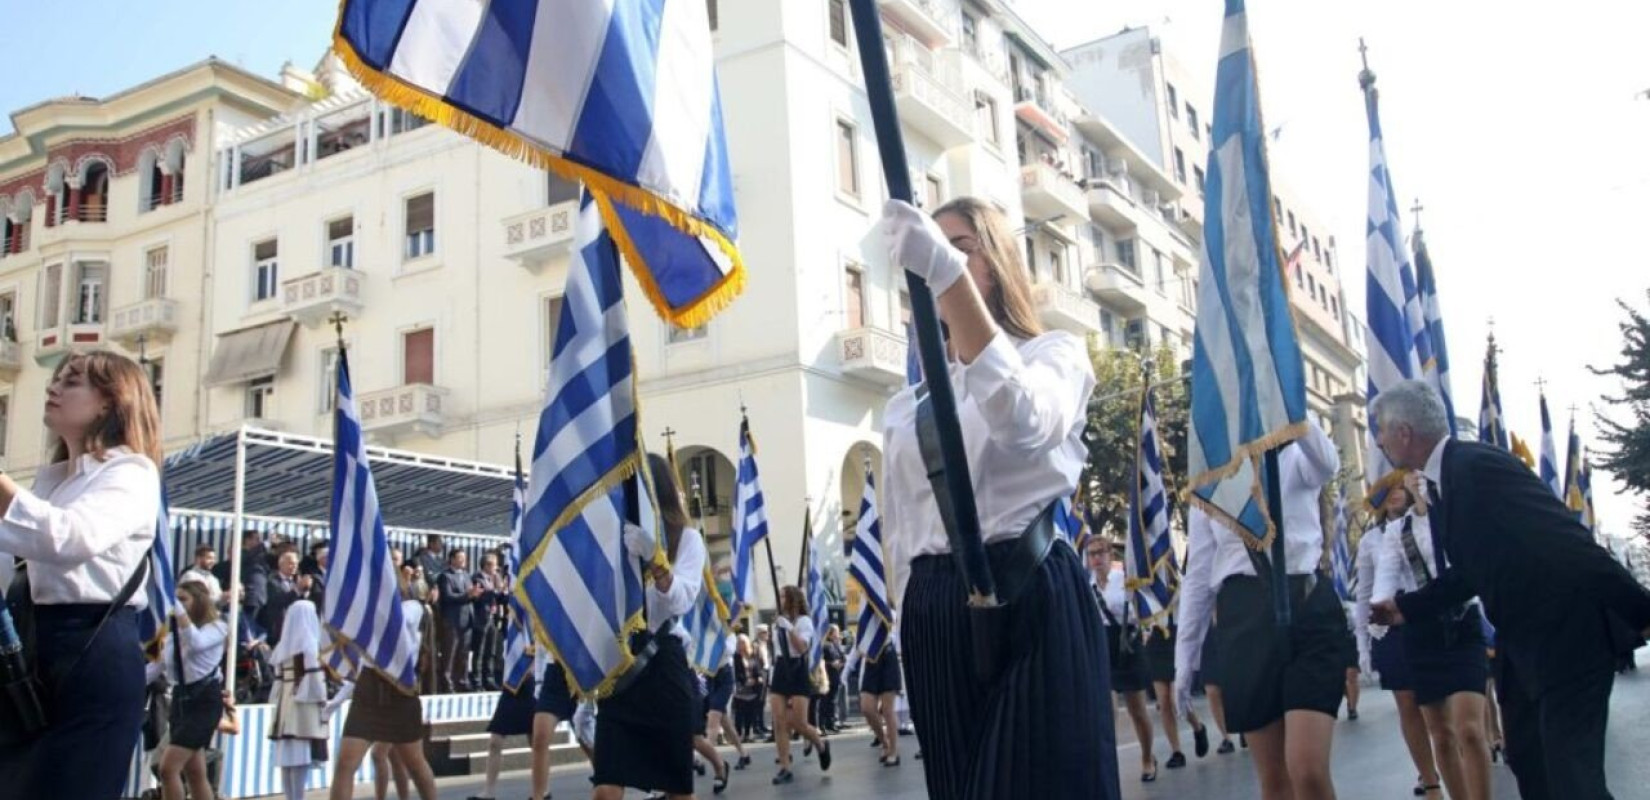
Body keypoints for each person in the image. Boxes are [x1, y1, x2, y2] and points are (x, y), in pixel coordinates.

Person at [881, 197, 1117, 799]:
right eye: (930, 255)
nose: (941, 265)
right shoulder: (908, 405)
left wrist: (948, 275)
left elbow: (1024, 420)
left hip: (1029, 589)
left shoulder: (1054, 355)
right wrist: (912, 647)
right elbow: (901, 536)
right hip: (937, 614)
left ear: (998, 259)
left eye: (960, 248)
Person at [1369, 380, 1650, 800]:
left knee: (1573, 780)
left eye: (1381, 430)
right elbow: (1470, 572)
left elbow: (1565, 538)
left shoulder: (1477, 466)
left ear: (1404, 432)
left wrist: (1641, 611)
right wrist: (1405, 608)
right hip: (1522, 646)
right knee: (1529, 763)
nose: (1378, 440)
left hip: (1568, 639)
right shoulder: (1443, 481)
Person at [0, 351, 163, 799]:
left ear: (111, 403)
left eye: (71, 382)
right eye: (56, 380)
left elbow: (69, 538)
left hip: (92, 653)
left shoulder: (131, 472)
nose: (53, 388)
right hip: (33, 649)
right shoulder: (52, 482)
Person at [1174, 423, 1345, 800]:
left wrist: (1285, 400)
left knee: (1308, 769)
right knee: (1275, 780)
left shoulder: (1298, 455)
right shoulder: (1211, 478)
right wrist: (1184, 661)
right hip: (1244, 616)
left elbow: (1328, 464)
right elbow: (1199, 575)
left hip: (1307, 607)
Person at [592, 453, 706, 800]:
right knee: (606, 788)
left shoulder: (687, 539)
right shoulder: (615, 536)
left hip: (663, 669)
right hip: (620, 666)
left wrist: (657, 561)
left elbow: (682, 599)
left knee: (677, 789)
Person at [1373, 473, 1491, 800]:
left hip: (1462, 622)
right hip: (1421, 631)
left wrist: (1431, 505)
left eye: (1413, 479)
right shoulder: (1397, 531)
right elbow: (1386, 574)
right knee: (1441, 733)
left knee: (1469, 728)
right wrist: (1379, 609)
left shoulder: (1452, 518)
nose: (1408, 485)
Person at [1357, 485, 1442, 797]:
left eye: (1398, 486)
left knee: (1435, 704)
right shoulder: (1370, 540)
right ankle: (1428, 775)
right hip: (1389, 624)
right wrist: (1362, 643)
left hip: (1425, 616)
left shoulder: (1426, 522)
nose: (1393, 493)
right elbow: (1365, 593)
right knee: (1408, 703)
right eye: (1385, 488)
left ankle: (1449, 759)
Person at [328, 586, 440, 800]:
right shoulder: (372, 609)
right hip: (369, 688)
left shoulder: (413, 607)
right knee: (345, 762)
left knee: (415, 763)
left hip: (399, 689)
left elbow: (399, 622)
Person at [1087, 536, 1158, 781]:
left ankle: (1148, 757)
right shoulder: (1088, 585)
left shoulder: (1125, 581)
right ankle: (1109, 763)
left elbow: (1143, 609)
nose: (1096, 558)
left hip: (1127, 644)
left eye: (1100, 552)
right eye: (1092, 554)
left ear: (1110, 555)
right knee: (1107, 709)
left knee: (1136, 709)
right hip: (1104, 644)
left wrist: (1143, 627)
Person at [158, 580, 230, 800]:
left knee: (168, 769)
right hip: (181, 699)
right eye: (176, 599)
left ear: (199, 602)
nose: (177, 604)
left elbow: (197, 643)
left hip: (204, 700)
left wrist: (178, 611)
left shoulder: (218, 627)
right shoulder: (172, 634)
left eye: (183, 599)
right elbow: (159, 665)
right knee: (195, 772)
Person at [767, 585, 831, 784]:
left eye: (784, 596)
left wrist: (789, 628)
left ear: (793, 599)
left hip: (797, 668)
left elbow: (802, 648)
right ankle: (785, 766)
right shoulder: (777, 621)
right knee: (778, 721)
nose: (780, 599)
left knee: (798, 722)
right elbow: (775, 650)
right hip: (780, 668)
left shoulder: (804, 621)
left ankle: (820, 744)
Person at [269, 599, 330, 800]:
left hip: (284, 704)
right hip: (303, 704)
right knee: (300, 754)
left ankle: (291, 797)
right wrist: (322, 699)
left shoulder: (283, 646)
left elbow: (277, 682)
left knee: (287, 757)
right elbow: (314, 680)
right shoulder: (310, 645)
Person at [469, 645, 538, 800]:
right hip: (511, 683)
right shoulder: (513, 621)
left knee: (536, 742)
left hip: (530, 681)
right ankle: (489, 792)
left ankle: (541, 791)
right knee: (496, 740)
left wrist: (533, 667)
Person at [436, 549, 480, 692]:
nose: (463, 561)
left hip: (467, 619)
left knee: (464, 653)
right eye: (460, 558)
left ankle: (462, 680)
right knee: (450, 653)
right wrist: (468, 595)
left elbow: (469, 594)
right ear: (452, 559)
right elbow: (448, 597)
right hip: (452, 620)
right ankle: (447, 683)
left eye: (464, 558)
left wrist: (475, 594)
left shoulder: (466, 575)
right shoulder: (445, 576)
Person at [216, 529, 272, 628]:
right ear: (247, 540)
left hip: (261, 598)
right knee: (247, 628)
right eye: (257, 539)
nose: (259, 542)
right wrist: (265, 544)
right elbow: (246, 557)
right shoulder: (241, 553)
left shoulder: (257, 555)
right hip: (250, 598)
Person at [471, 551, 510, 691]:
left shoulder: (492, 579)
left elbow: (499, 598)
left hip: (493, 618)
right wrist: (497, 587)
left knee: (491, 650)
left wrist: (504, 591)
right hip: (481, 618)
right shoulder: (478, 578)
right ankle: (477, 681)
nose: (496, 568)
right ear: (487, 565)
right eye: (494, 565)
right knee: (479, 651)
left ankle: (489, 678)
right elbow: (483, 595)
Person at [264, 551, 319, 647]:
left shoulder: (296, 580)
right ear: (281, 564)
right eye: (290, 563)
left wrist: (305, 590)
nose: (294, 566)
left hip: (296, 629)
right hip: (279, 629)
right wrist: (298, 589)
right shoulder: (272, 581)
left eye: (296, 564)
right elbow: (280, 600)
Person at [731, 634, 764, 743]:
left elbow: (758, 668)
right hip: (740, 689)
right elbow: (736, 672)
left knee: (750, 712)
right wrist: (744, 681)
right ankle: (738, 734)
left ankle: (748, 734)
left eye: (743, 642)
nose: (741, 645)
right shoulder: (735, 657)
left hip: (753, 688)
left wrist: (758, 677)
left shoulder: (752, 655)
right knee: (740, 713)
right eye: (739, 643)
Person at [819, 624, 845, 734]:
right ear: (830, 634)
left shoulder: (836, 645)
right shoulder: (825, 645)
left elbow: (842, 657)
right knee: (825, 702)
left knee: (832, 702)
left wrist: (840, 663)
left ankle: (831, 723)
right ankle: (823, 724)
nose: (838, 634)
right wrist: (831, 664)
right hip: (827, 676)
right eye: (836, 632)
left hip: (835, 676)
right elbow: (822, 661)